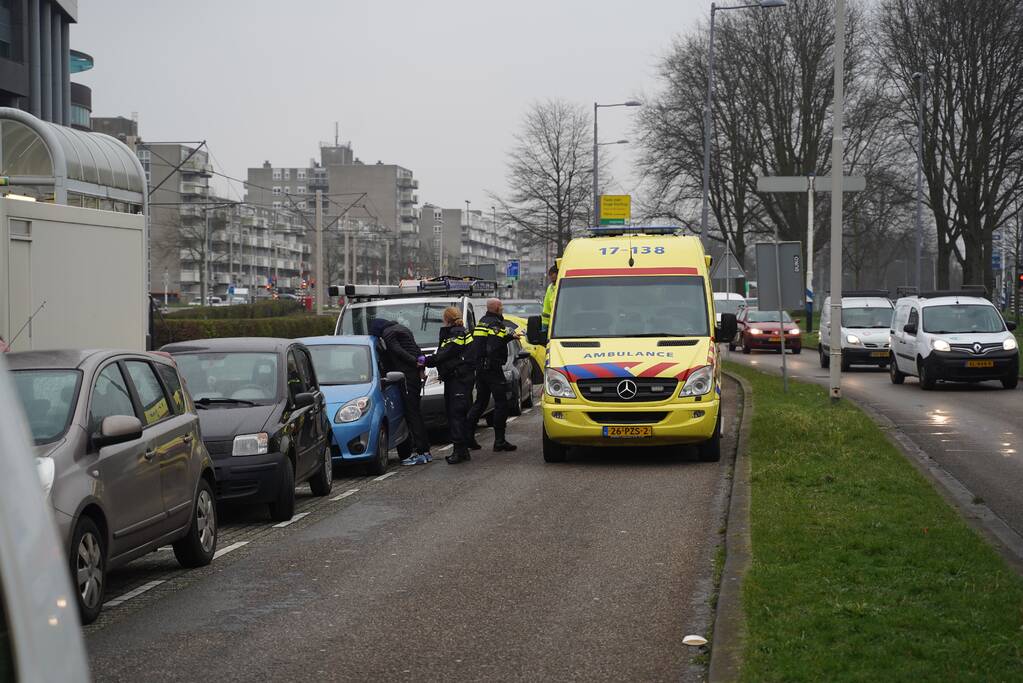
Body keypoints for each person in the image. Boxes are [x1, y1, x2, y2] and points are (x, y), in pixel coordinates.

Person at [368, 318, 433, 466]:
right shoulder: (402, 329)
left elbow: (397, 350)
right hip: (413, 376)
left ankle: (421, 451)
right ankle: (425, 450)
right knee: (416, 413)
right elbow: (416, 349)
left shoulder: (388, 333)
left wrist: (413, 362)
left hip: (406, 377)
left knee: (412, 415)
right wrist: (421, 368)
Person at [466, 298, 522, 452]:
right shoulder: (496, 324)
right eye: (501, 306)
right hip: (492, 369)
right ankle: (499, 440)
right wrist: (495, 362)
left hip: (481, 369)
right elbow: (494, 345)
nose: (502, 309)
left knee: (480, 403)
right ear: (497, 308)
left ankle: (468, 437)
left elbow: (485, 342)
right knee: (501, 403)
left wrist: (510, 337)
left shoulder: (483, 321)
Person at [425, 307, 475, 465]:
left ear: (447, 319)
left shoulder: (456, 334)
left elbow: (444, 354)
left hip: (458, 380)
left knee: (456, 415)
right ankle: (463, 451)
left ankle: (458, 452)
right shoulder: (461, 332)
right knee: (460, 414)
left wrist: (424, 360)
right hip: (460, 379)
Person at [541, 264, 558, 329]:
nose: (550, 277)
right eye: (550, 275)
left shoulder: (563, 286)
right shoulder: (550, 288)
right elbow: (546, 309)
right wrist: (545, 326)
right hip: (552, 324)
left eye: (552, 274)